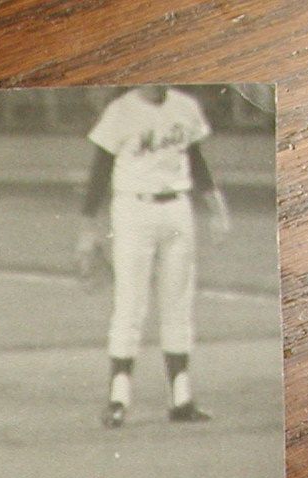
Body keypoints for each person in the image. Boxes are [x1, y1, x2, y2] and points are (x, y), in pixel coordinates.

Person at [74, 84, 232, 426]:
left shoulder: (184, 106)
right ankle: (118, 398)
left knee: (178, 301)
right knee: (130, 301)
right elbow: (99, 172)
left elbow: (196, 160)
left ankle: (182, 398)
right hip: (133, 210)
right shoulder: (120, 111)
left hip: (178, 209)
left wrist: (216, 208)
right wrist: (88, 228)